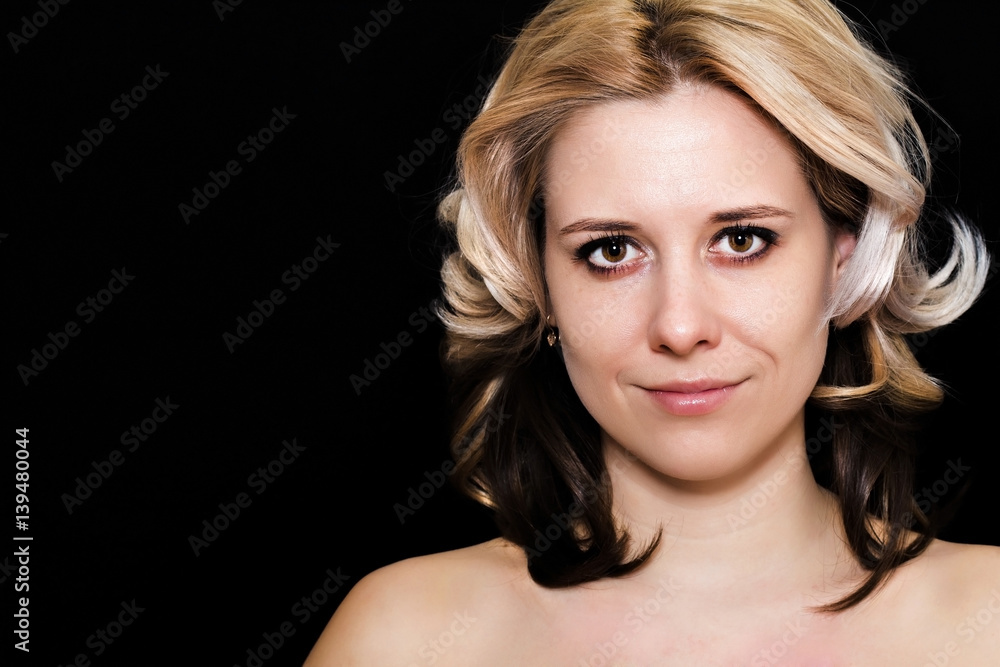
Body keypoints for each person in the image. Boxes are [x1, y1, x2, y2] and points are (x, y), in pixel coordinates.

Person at [307, 0, 999, 663]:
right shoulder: (403, 637)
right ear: (538, 282)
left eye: (742, 238)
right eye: (611, 250)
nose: (679, 325)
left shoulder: (986, 623)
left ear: (842, 258)